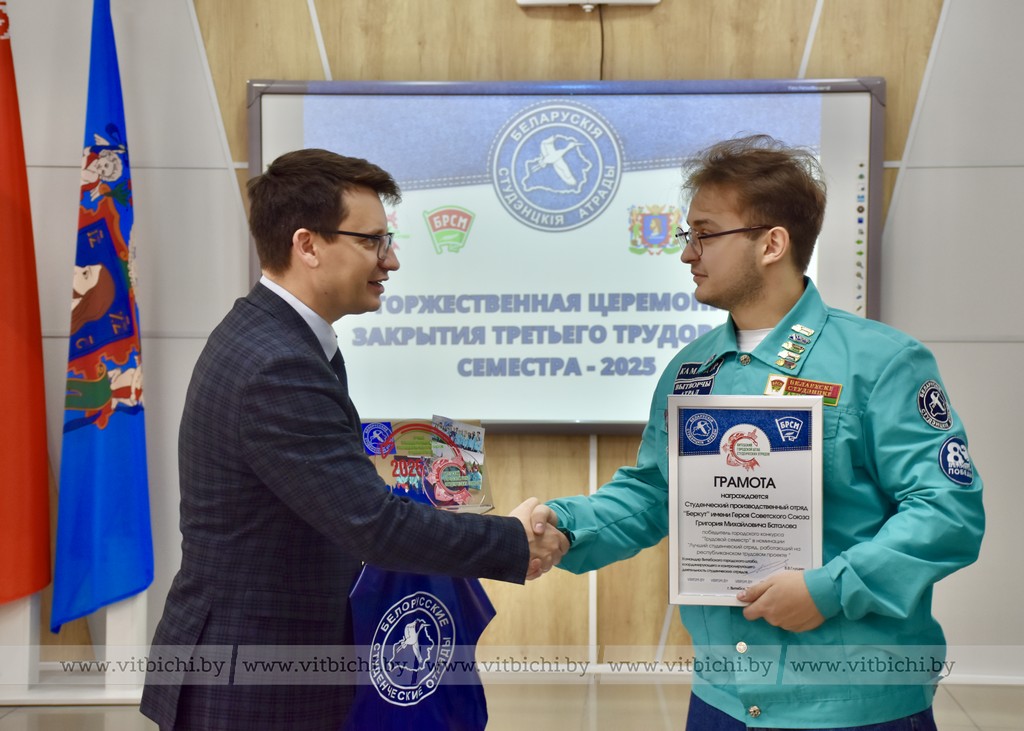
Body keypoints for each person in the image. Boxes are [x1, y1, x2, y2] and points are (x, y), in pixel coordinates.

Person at [545, 135, 984, 729]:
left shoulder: (882, 363)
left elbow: (947, 510)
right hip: (723, 698)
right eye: (688, 234)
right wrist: (562, 527)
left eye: (705, 234)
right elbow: (653, 493)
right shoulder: (690, 369)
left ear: (772, 243)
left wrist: (831, 588)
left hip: (851, 703)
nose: (687, 253)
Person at [140, 148, 567, 731]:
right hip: (254, 680)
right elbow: (373, 525)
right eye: (372, 241)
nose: (390, 260)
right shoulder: (278, 364)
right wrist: (513, 542)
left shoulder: (278, 337)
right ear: (307, 245)